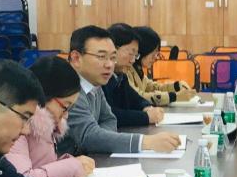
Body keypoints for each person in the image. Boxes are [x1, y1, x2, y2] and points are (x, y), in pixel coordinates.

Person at [58, 25, 181, 156]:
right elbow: (89, 136)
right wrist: (147, 142)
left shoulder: (95, 83)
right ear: (76, 58)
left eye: (112, 57)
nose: (109, 65)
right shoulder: (67, 88)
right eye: (101, 56)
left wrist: (101, 138)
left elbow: (109, 119)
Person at [7, 56, 97, 177]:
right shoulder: (19, 128)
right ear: (45, 96)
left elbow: (42, 166)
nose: (66, 115)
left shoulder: (47, 127)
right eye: (65, 107)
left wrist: (69, 163)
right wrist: (72, 167)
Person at [104, 23, 165, 127]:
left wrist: (147, 108)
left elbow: (135, 99)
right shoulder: (101, 77)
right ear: (113, 48)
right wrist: (146, 117)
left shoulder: (120, 76)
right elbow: (109, 114)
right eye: (131, 54)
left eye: (136, 55)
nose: (133, 60)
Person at [125, 25, 194, 107]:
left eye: (157, 53)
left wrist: (176, 86)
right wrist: (174, 97)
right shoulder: (126, 70)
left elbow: (152, 87)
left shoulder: (138, 69)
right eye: (153, 53)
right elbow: (139, 97)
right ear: (143, 50)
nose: (155, 57)